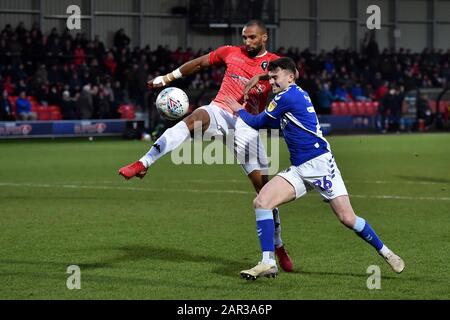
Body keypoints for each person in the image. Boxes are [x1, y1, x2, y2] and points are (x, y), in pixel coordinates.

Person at [118, 20, 294, 272]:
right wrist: (166, 78)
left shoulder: (276, 63)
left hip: (247, 126)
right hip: (220, 110)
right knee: (192, 119)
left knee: (264, 193)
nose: (247, 42)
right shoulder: (230, 52)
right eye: (244, 37)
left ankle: (278, 245)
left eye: (252, 38)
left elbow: (292, 77)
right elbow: (199, 63)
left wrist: (263, 75)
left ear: (264, 37)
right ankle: (144, 162)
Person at [225, 57, 405, 280]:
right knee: (262, 202)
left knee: (347, 218)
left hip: (320, 165)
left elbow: (259, 122)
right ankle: (268, 262)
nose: (272, 81)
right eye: (270, 77)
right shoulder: (294, 93)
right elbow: (272, 122)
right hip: (301, 168)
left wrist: (237, 110)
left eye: (276, 77)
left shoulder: (286, 96)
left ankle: (387, 253)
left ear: (291, 77)